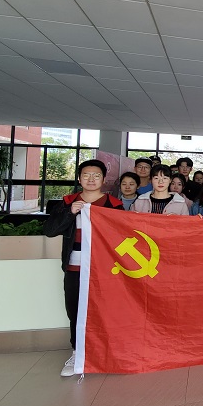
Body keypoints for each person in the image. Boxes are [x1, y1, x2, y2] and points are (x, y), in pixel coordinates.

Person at [44, 159, 124, 377]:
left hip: (104, 269)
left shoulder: (114, 205)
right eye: (86, 175)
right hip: (75, 267)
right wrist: (69, 213)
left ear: (104, 180)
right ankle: (77, 353)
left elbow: (122, 234)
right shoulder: (68, 202)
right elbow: (50, 230)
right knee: (75, 311)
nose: (91, 179)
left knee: (106, 311)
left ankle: (106, 353)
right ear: (79, 178)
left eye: (96, 175)